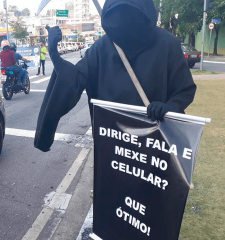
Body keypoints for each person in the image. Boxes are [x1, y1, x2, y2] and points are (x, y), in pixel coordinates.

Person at [34, 0, 197, 152]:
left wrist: (170, 107)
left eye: (131, 12)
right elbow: (75, 79)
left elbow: (184, 89)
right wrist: (54, 54)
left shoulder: (167, 44)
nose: (125, 19)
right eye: (119, 13)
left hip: (155, 145)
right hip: (115, 146)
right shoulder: (102, 48)